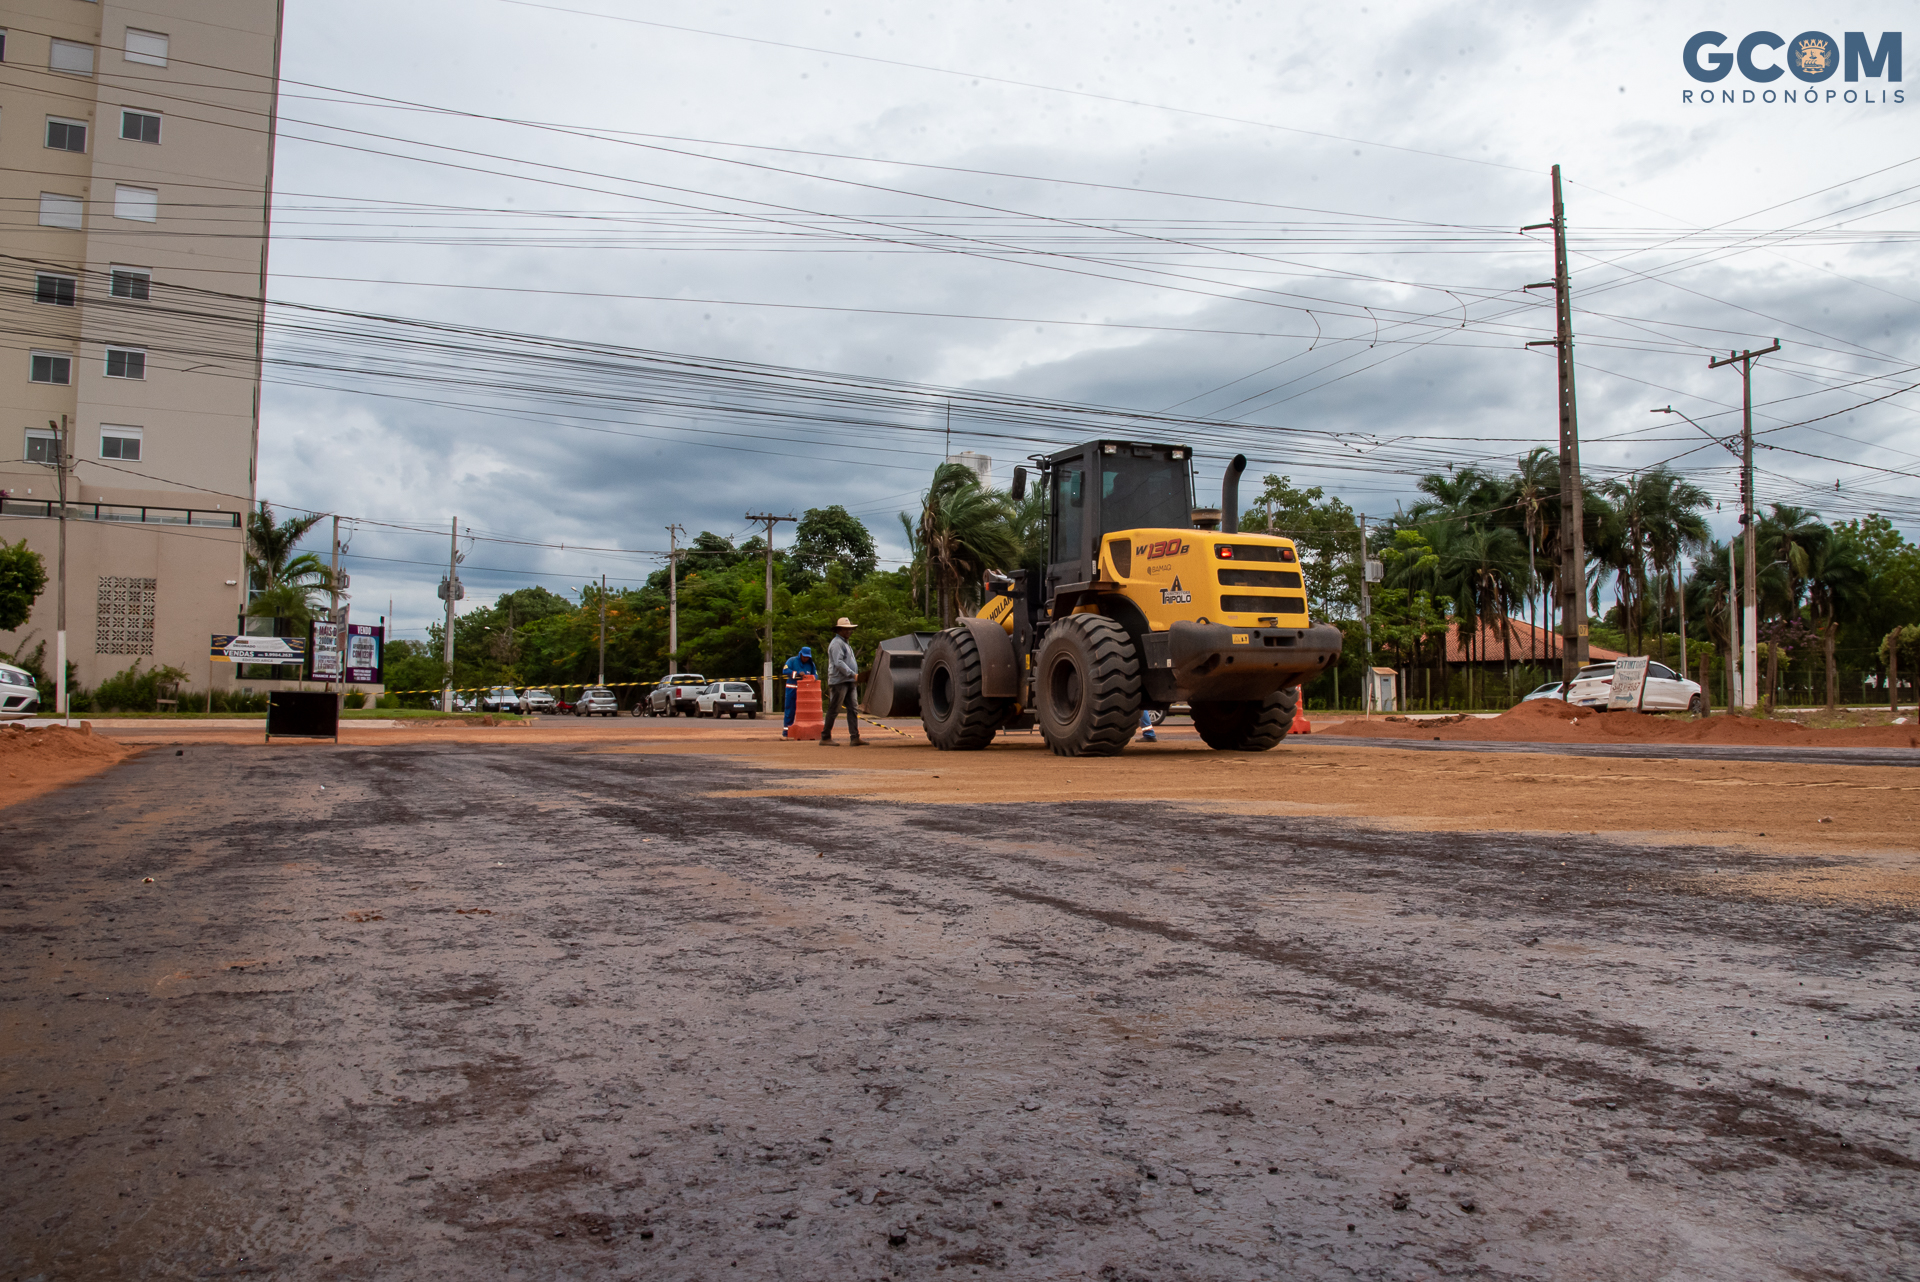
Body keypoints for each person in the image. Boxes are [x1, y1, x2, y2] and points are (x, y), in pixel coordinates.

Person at [820, 617, 864, 746]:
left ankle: (855, 737)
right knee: (834, 708)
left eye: (850, 629)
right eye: (846, 629)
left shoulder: (845, 643)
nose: (849, 632)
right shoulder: (836, 644)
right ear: (839, 630)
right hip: (840, 681)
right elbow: (838, 663)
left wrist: (853, 676)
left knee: (853, 709)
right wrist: (852, 674)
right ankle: (825, 737)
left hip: (849, 680)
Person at [782, 645, 816, 728]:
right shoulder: (792, 660)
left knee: (805, 711)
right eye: (804, 657)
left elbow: (815, 674)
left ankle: (804, 730)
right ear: (800, 654)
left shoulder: (811, 664)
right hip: (792, 689)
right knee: (790, 710)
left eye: (807, 657)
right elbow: (785, 671)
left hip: (805, 691)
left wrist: (813, 678)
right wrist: (797, 673)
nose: (806, 659)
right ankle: (787, 732)